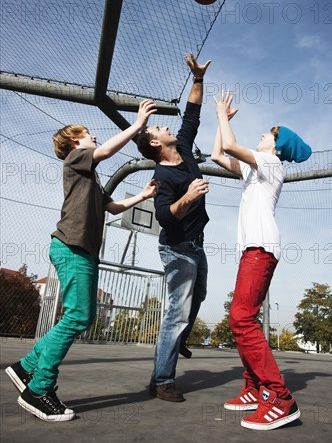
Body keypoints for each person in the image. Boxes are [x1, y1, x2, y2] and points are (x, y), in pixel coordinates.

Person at [5, 100, 158, 422]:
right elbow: (104, 153)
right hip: (71, 247)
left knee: (81, 316)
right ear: (75, 141)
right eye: (88, 134)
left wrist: (142, 196)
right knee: (77, 316)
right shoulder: (75, 160)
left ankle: (26, 366)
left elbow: (113, 208)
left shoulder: (91, 178)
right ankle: (39, 389)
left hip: (82, 250)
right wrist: (135, 125)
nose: (93, 138)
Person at [211, 91, 312, 430]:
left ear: (277, 145)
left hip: (261, 247)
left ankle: (279, 397)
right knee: (242, 318)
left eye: (268, 134)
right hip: (252, 249)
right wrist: (222, 121)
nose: (263, 135)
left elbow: (231, 147)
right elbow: (217, 153)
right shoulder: (254, 170)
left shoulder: (270, 164)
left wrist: (223, 115)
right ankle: (254, 388)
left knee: (241, 319)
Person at [136, 52, 211, 402]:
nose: (165, 126)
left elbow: (192, 114)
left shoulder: (182, 147)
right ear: (154, 143)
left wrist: (197, 78)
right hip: (177, 248)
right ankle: (163, 380)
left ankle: (175, 342)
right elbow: (165, 216)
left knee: (199, 298)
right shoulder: (162, 175)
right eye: (158, 128)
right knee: (176, 313)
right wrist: (189, 197)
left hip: (197, 244)